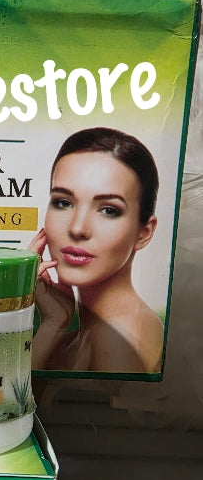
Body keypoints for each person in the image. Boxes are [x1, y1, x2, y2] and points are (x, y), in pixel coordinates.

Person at [30, 127, 164, 373]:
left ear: (143, 233)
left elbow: (10, 397)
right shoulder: (90, 333)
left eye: (108, 210)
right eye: (63, 202)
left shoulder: (119, 340)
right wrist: (54, 323)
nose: (78, 228)